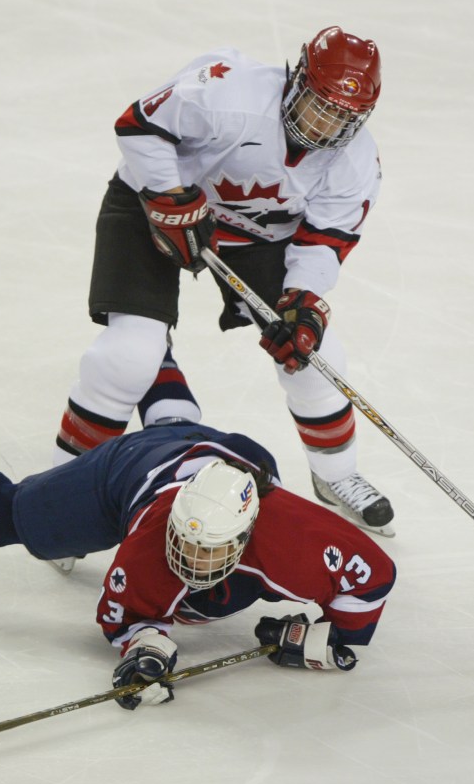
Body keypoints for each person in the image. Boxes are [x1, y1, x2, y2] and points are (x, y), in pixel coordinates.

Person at [0, 387, 396, 710]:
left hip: (232, 461)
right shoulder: (144, 550)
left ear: (244, 534)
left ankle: (154, 366)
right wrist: (147, 645)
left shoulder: (296, 537)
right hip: (128, 478)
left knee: (182, 432)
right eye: (185, 543)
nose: (191, 561)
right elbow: (120, 616)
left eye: (211, 550)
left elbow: (373, 577)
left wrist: (338, 641)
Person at [54, 26, 395, 538]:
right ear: (296, 77)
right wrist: (169, 195)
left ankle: (337, 476)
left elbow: (324, 240)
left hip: (259, 237)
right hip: (153, 207)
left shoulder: (356, 161)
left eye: (344, 116)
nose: (325, 125)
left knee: (316, 360)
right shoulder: (228, 91)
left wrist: (302, 303)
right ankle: (67, 489)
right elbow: (139, 124)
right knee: (128, 355)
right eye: (319, 105)